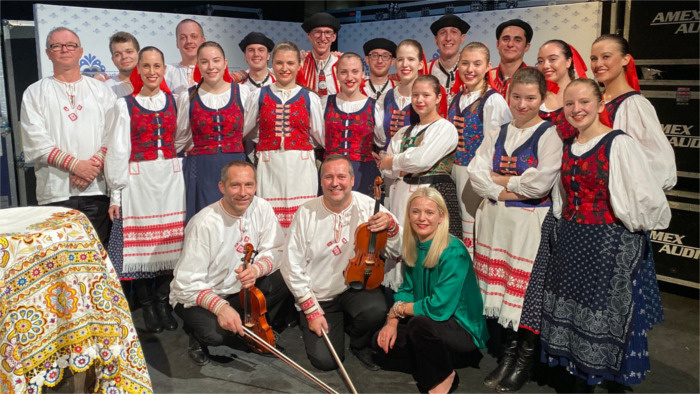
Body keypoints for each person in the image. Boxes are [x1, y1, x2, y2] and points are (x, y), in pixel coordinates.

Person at [540, 79, 671, 391]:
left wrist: (629, 235)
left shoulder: (619, 143)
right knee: (573, 308)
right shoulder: (569, 145)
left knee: (602, 310)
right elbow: (562, 196)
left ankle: (603, 374)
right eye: (569, 104)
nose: (576, 109)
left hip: (607, 241)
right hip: (572, 237)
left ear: (600, 105)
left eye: (584, 102)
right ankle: (575, 370)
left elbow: (641, 194)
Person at [467, 68, 562, 392]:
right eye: (517, 97)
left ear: (543, 99)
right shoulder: (498, 130)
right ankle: (506, 356)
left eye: (530, 98)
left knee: (523, 295)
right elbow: (476, 172)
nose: (523, 104)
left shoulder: (549, 134)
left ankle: (523, 361)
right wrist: (506, 189)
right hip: (496, 222)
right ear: (508, 96)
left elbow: (541, 183)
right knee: (503, 289)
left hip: (527, 225)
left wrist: (499, 181)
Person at [281, 155, 402, 371]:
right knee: (326, 362)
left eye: (341, 176)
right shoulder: (306, 212)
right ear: (321, 182)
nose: (335, 183)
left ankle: (359, 343)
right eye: (328, 177)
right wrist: (311, 310)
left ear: (352, 180)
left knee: (374, 310)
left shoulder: (368, 205)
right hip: (319, 296)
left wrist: (391, 227)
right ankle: (320, 323)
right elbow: (291, 266)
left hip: (353, 287)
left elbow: (398, 249)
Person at [171, 161, 293, 366]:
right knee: (216, 335)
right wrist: (220, 307)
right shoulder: (204, 223)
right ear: (222, 187)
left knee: (286, 276)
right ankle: (196, 334)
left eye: (249, 185)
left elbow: (278, 250)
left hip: (238, 290)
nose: (243, 192)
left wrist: (256, 269)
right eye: (235, 185)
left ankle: (250, 328)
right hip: (202, 297)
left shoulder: (261, 207)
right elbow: (186, 284)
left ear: (255, 186)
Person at [374, 187, 489, 394]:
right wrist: (391, 322)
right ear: (408, 216)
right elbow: (407, 289)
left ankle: (444, 376)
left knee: (420, 325)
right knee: (380, 344)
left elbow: (439, 307)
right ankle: (431, 356)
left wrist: (397, 311)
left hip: (458, 328)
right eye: (416, 212)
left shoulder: (454, 251)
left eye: (429, 212)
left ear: (441, 217)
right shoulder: (414, 245)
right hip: (427, 321)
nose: (422, 218)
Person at [105, 46, 186, 334]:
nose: (152, 72)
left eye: (157, 66)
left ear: (165, 69)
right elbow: (117, 151)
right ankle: (148, 304)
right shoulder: (124, 105)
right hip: (138, 180)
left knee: (171, 243)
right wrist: (116, 193)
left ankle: (164, 301)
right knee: (138, 246)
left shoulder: (176, 102)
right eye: (147, 66)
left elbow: (184, 138)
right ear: (138, 69)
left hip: (170, 180)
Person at [20, 27, 116, 245]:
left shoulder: (101, 90)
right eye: (56, 45)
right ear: (48, 53)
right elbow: (35, 139)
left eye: (70, 45)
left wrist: (92, 166)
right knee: (60, 261)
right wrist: (76, 165)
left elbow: (113, 133)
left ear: (80, 51)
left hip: (96, 189)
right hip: (55, 191)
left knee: (96, 258)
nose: (64, 49)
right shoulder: (34, 92)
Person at [376, 74, 460, 293]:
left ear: (438, 97)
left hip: (431, 193)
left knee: (428, 249)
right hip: (402, 193)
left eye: (426, 95)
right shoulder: (404, 132)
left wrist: (396, 161)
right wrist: (403, 163)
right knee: (402, 245)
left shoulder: (445, 128)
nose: (420, 99)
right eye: (415, 95)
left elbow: (422, 160)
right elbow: (386, 169)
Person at [243, 41, 324, 230]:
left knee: (303, 218)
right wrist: (265, 138)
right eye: (279, 63)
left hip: (301, 165)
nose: (285, 68)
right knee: (270, 218)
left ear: (299, 65)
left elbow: (320, 136)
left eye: (290, 63)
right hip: (270, 163)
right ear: (273, 65)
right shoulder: (259, 95)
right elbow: (246, 130)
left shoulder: (309, 97)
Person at [448, 42, 511, 257]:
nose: (470, 69)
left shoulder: (493, 100)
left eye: (477, 63)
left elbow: (496, 146)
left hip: (476, 174)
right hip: (454, 171)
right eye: (465, 63)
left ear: (488, 67)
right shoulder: (456, 97)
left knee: (473, 231)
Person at [590, 34, 676, 191]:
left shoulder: (634, 105)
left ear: (625, 59)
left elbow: (661, 164)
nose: (598, 64)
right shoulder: (596, 102)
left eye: (606, 57)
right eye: (594, 58)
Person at [176, 41, 251, 221]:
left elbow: (248, 130)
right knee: (204, 221)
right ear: (198, 65)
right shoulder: (187, 97)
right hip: (201, 170)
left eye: (216, 61)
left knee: (238, 223)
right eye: (204, 62)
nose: (211, 67)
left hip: (236, 166)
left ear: (225, 63)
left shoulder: (243, 92)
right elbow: (181, 138)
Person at [322, 52, 383, 197]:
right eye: (344, 72)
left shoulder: (374, 106)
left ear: (363, 73)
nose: (349, 77)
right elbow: (318, 137)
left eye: (355, 71)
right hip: (330, 172)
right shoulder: (324, 103)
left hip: (362, 171)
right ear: (337, 74)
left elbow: (381, 140)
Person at [536, 39, 588, 141]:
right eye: (540, 61)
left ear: (568, 62)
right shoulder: (535, 97)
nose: (545, 66)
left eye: (553, 59)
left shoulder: (584, 96)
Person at [297, 12, 341, 97]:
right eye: (318, 32)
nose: (323, 38)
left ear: (334, 37)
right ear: (309, 36)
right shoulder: (299, 63)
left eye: (327, 32)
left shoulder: (342, 63)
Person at [488, 19, 533, 97]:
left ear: (526, 47)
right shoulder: (485, 78)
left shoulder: (537, 78)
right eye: (506, 39)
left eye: (517, 40)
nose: (510, 44)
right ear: (497, 44)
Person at [428, 14, 470, 94]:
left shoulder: (472, 70)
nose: (448, 38)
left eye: (454, 32)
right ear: (436, 40)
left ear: (462, 38)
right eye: (443, 33)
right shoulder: (426, 70)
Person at [165, 19, 207, 96]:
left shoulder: (213, 72)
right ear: (177, 43)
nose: (189, 41)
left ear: (203, 41)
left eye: (194, 36)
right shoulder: (166, 72)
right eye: (183, 37)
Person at [361, 38, 396, 102]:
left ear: (392, 61)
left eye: (385, 56)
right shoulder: (357, 88)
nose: (379, 61)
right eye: (375, 56)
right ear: (367, 60)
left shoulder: (399, 89)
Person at [105, 31, 139, 97]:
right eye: (117, 54)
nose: (124, 57)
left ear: (139, 54)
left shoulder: (154, 81)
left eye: (129, 52)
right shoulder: (107, 88)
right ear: (113, 59)